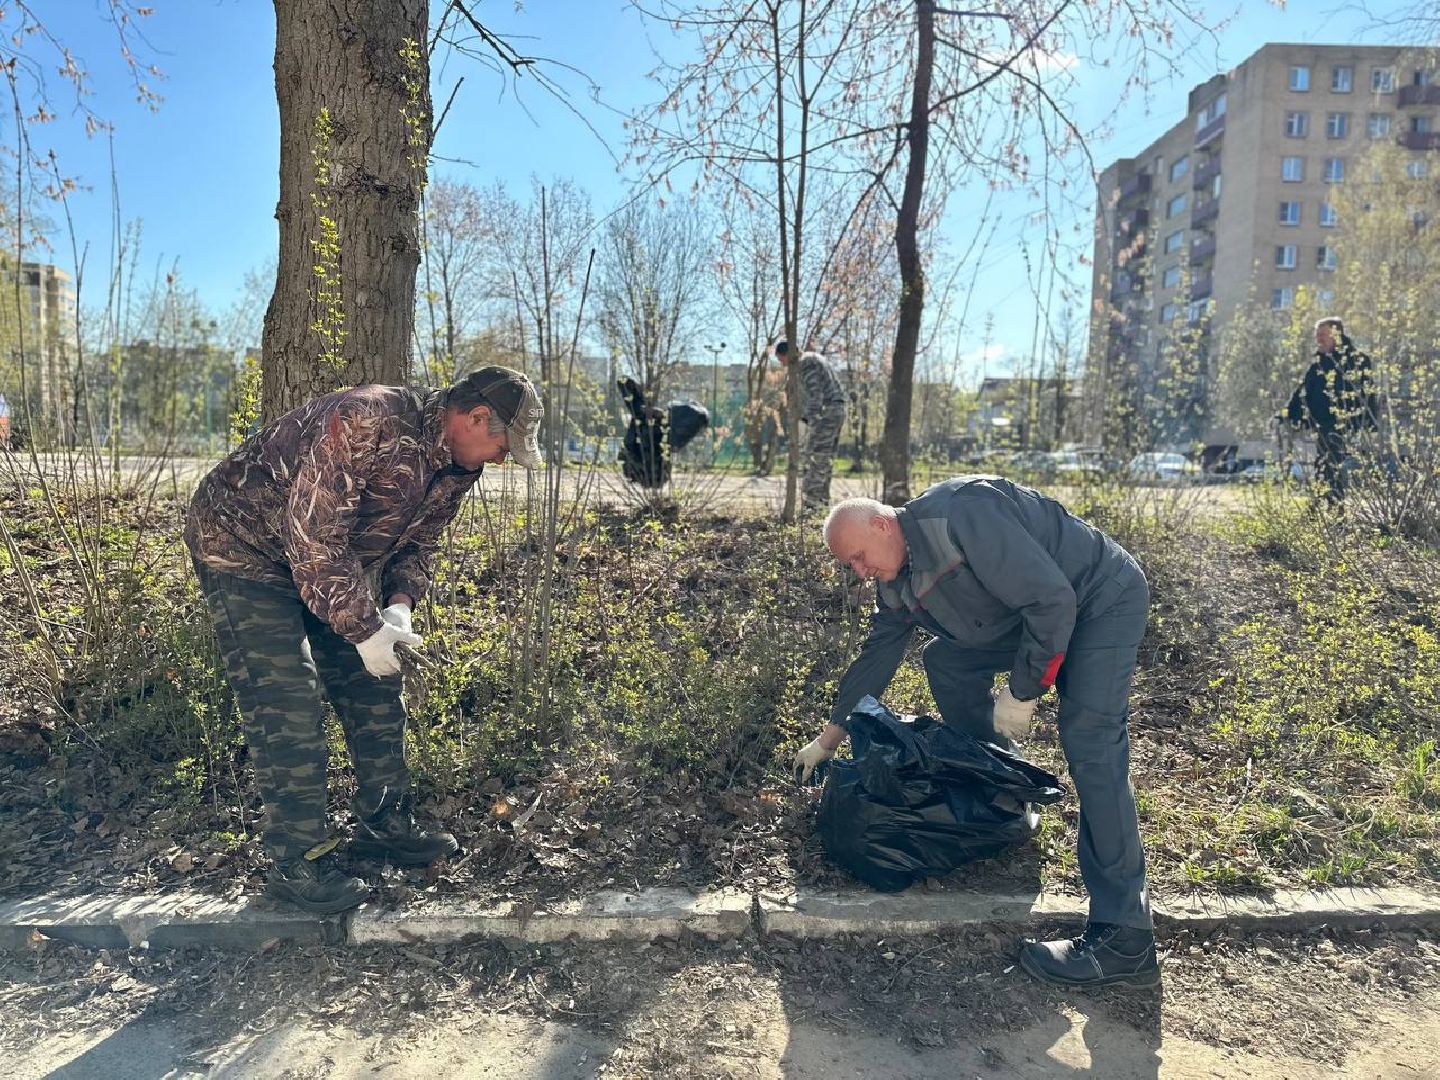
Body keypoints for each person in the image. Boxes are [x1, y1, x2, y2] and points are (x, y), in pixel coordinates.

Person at [185, 366, 543, 914]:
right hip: (243, 553)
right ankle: (294, 861)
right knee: (287, 698)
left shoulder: (456, 465)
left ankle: (384, 823)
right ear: (473, 418)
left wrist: (397, 609)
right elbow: (314, 538)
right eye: (502, 445)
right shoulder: (365, 419)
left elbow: (417, 546)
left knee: (375, 680)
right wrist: (364, 628)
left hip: (327, 566)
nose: (501, 460)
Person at [794, 478, 1157, 989]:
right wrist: (828, 739)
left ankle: (1125, 938)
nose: (859, 571)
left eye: (858, 557)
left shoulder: (963, 514)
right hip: (1035, 614)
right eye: (849, 567)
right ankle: (1004, 793)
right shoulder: (894, 576)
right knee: (947, 660)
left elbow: (1053, 601)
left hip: (1097, 600)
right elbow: (878, 654)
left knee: (1092, 748)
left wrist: (1023, 690)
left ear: (881, 523)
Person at [1278, 316, 1377, 504]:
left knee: (1332, 466)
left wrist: (1371, 425)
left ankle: (1333, 510)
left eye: (1322, 334)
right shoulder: (1318, 364)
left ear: (1336, 334)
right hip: (1321, 424)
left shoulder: (1357, 361)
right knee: (1323, 466)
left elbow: (1370, 395)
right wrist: (1287, 414)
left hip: (1344, 423)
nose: (1318, 339)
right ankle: (1323, 507)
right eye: (1317, 335)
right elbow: (1302, 392)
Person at [774, 339, 846, 512]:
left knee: (815, 457)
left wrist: (806, 420)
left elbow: (816, 393)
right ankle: (821, 503)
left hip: (826, 413)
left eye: (781, 360)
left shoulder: (805, 363)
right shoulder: (814, 358)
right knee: (824, 459)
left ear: (787, 355)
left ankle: (812, 505)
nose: (782, 365)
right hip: (835, 410)